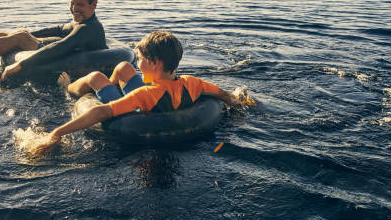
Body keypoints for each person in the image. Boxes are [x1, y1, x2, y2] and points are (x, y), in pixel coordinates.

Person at [29, 30, 250, 157]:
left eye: (141, 58)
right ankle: (112, 84)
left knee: (96, 77)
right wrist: (239, 103)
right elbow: (224, 94)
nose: (139, 61)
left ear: (154, 63)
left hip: (133, 109)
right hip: (161, 98)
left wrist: (57, 133)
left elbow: (102, 112)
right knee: (124, 66)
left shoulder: (144, 95)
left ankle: (67, 86)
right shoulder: (193, 83)